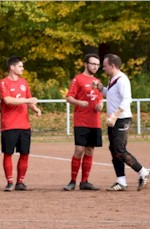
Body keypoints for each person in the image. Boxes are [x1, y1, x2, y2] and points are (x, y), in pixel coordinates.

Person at [94, 53, 150, 191]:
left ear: (112, 66)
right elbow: (110, 94)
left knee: (120, 150)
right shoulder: (113, 80)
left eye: (105, 66)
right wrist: (100, 88)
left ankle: (143, 172)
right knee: (114, 150)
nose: (103, 68)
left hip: (121, 119)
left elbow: (127, 100)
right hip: (113, 120)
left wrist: (115, 116)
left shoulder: (122, 80)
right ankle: (121, 181)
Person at [0, 56, 41, 192]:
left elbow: (29, 100)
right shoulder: (4, 83)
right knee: (8, 153)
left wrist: (35, 109)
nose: (22, 69)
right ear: (12, 67)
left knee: (24, 153)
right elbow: (8, 100)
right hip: (9, 125)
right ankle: (9, 182)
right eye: (20, 66)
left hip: (24, 125)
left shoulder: (24, 82)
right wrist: (28, 100)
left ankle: (20, 182)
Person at [62, 54, 104, 191]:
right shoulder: (78, 79)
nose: (95, 67)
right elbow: (69, 97)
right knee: (79, 150)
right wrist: (79, 102)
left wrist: (100, 105)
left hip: (94, 121)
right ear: (86, 64)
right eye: (93, 64)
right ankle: (72, 181)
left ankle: (84, 181)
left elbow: (100, 98)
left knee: (90, 150)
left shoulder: (97, 81)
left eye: (97, 64)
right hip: (81, 120)